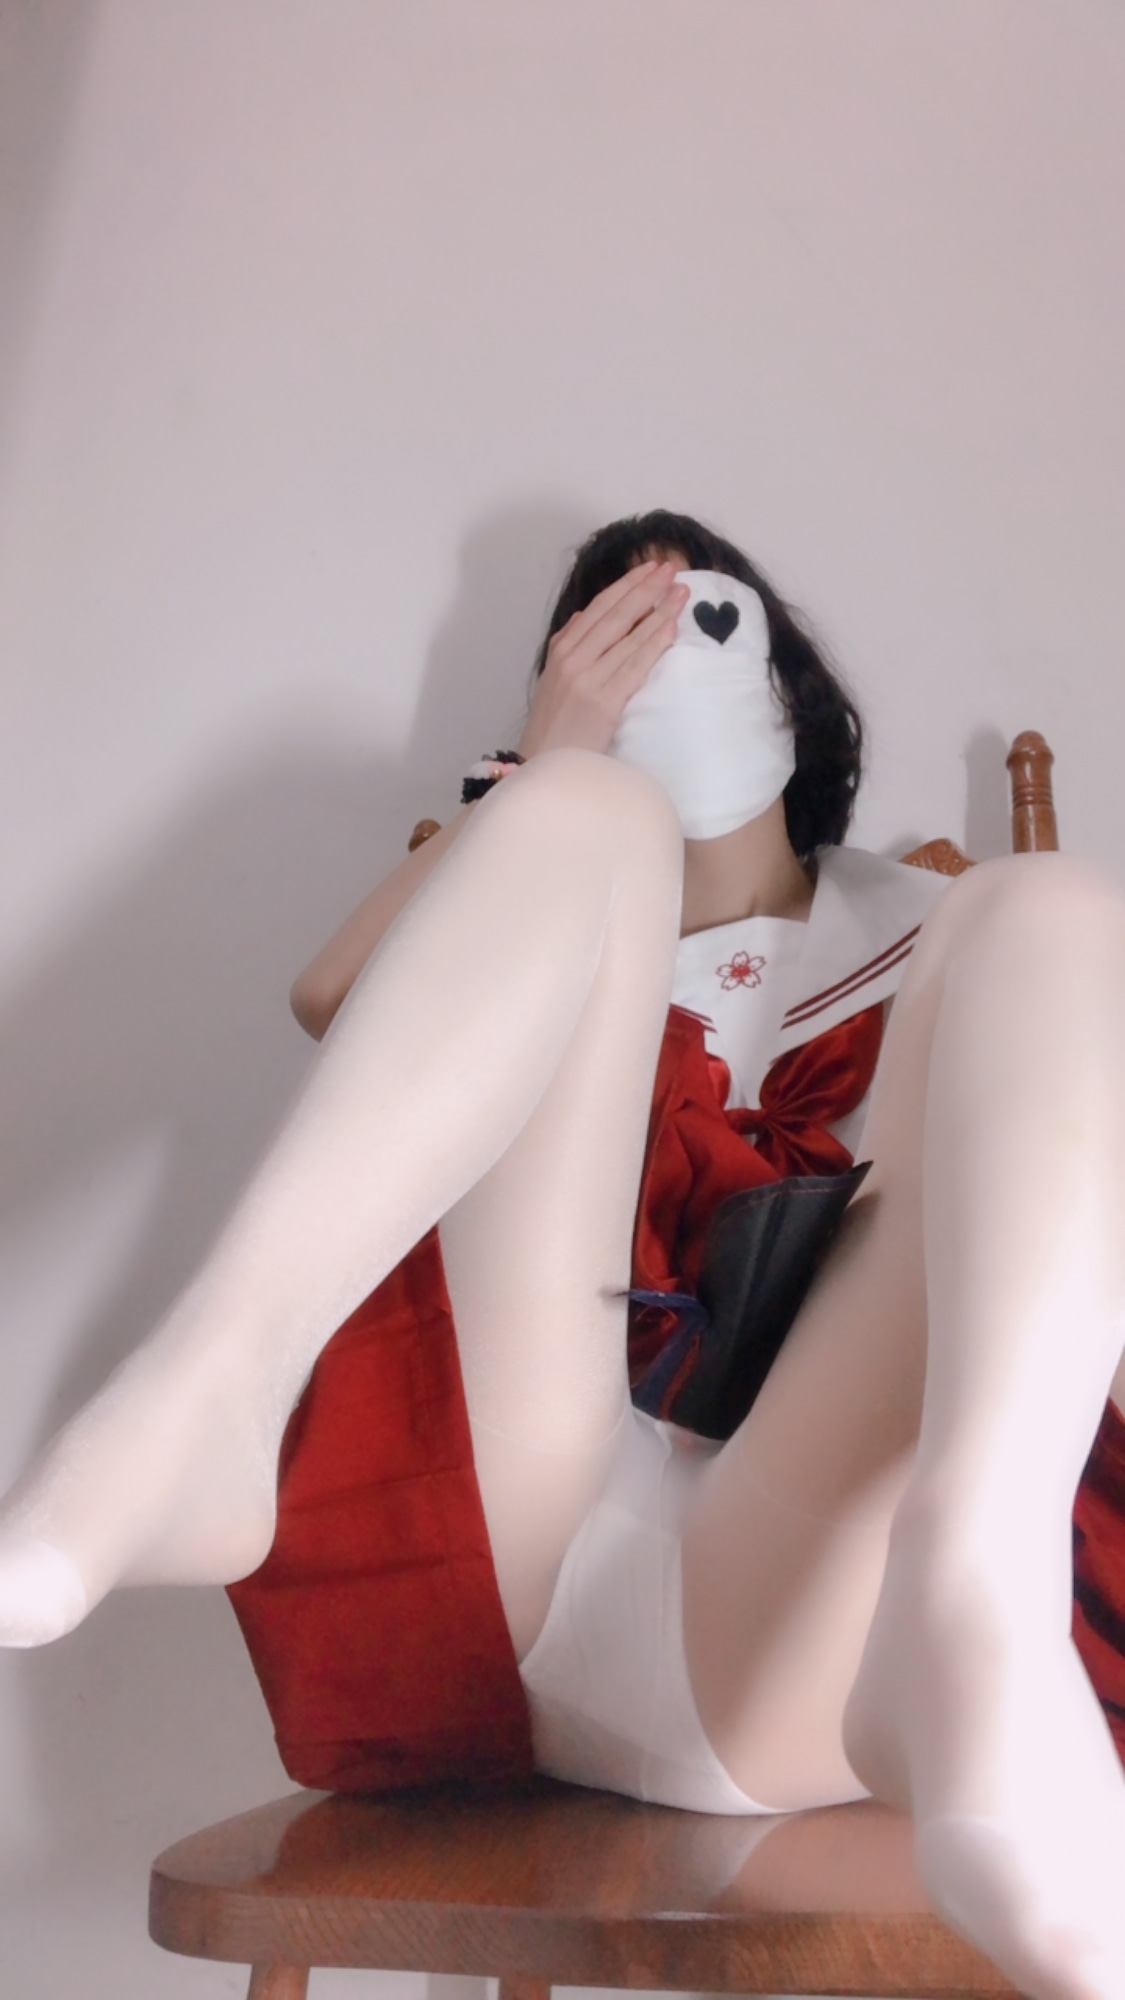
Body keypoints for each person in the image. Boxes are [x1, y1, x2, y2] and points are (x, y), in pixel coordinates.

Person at [3, 509, 1125, 2000]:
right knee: (585, 819)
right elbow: (334, 996)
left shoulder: (937, 930)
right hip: (553, 1533)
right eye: (610, 638)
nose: (657, 657)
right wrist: (550, 759)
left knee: (1053, 907)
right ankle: (213, 1384)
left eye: (697, 624)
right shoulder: (550, 884)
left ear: (787, 688)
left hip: (809, 1593)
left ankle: (977, 1592)